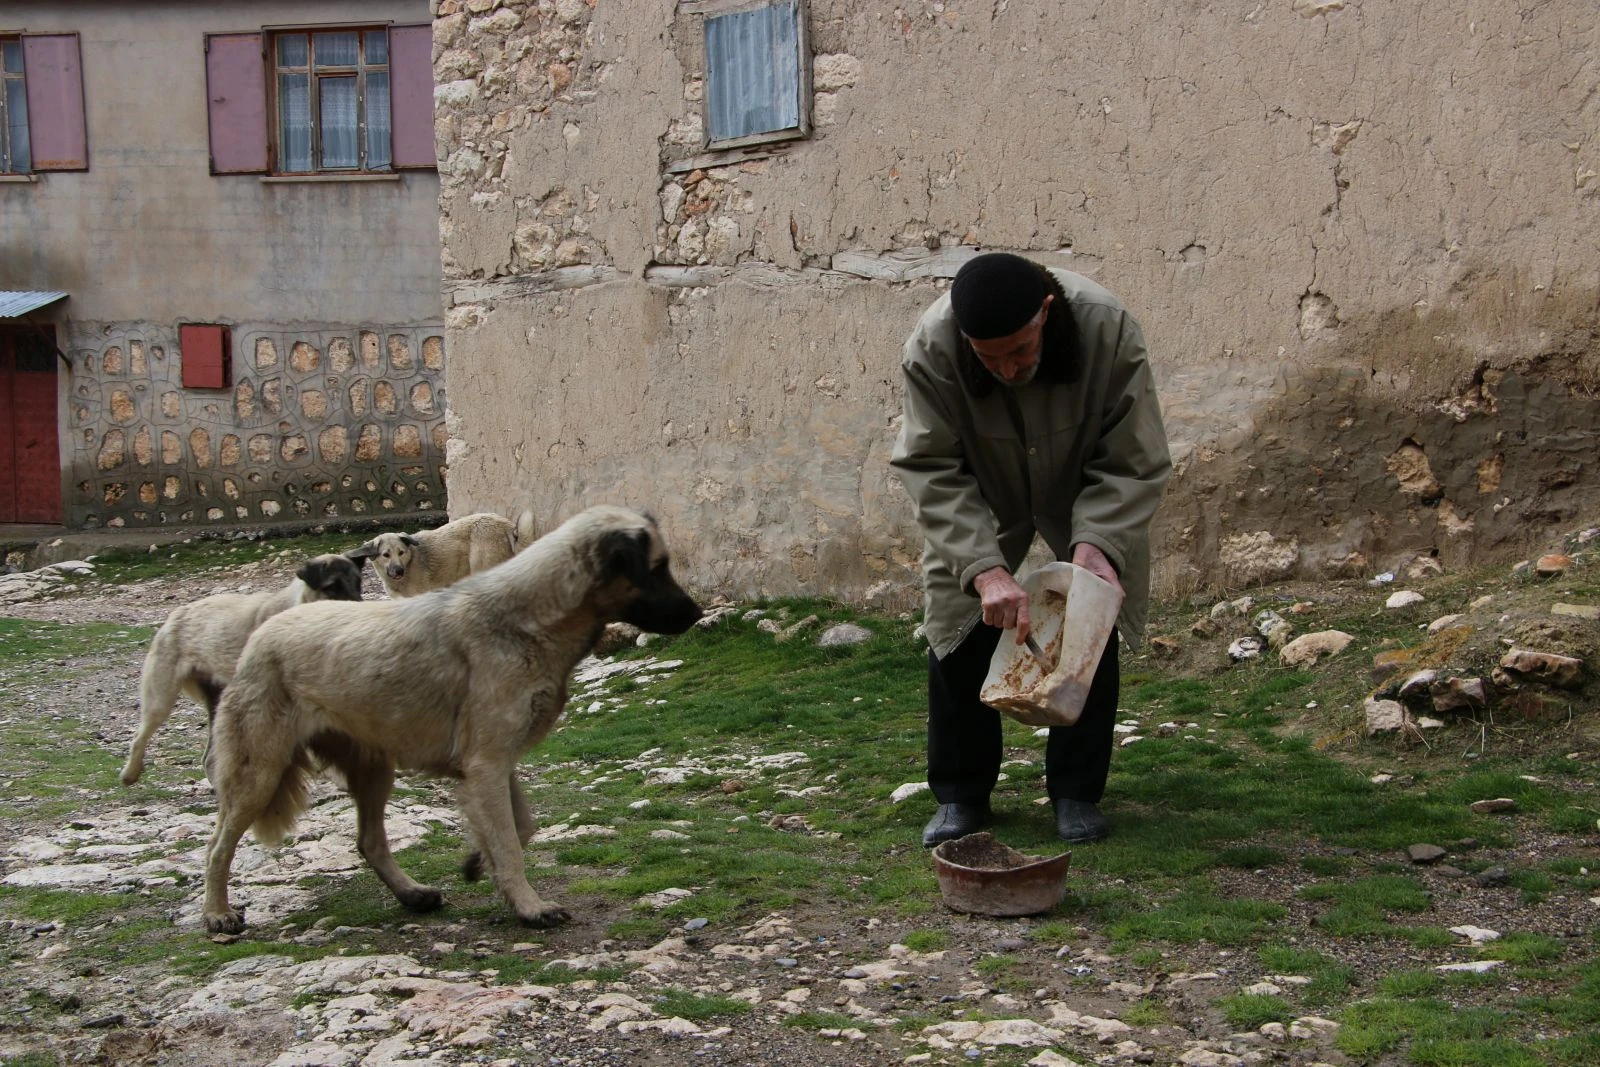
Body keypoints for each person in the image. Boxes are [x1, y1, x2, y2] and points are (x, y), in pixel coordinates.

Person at [890, 252, 1171, 847]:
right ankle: (962, 796)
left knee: (1091, 617)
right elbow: (930, 465)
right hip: (983, 488)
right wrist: (984, 568)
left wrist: (1098, 546)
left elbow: (1132, 456)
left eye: (1019, 351)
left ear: (1045, 312)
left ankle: (1076, 792)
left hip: (1083, 479)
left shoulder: (1107, 327)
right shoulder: (932, 347)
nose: (1007, 369)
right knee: (957, 622)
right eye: (988, 358)